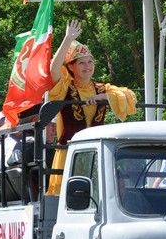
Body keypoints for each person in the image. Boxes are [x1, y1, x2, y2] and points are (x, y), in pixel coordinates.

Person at [48, 20, 138, 194]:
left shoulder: (102, 88)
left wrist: (104, 97)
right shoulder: (66, 86)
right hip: (69, 152)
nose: (87, 67)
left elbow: (130, 97)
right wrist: (68, 39)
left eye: (90, 62)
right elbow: (54, 70)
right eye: (82, 63)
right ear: (72, 67)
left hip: (95, 152)